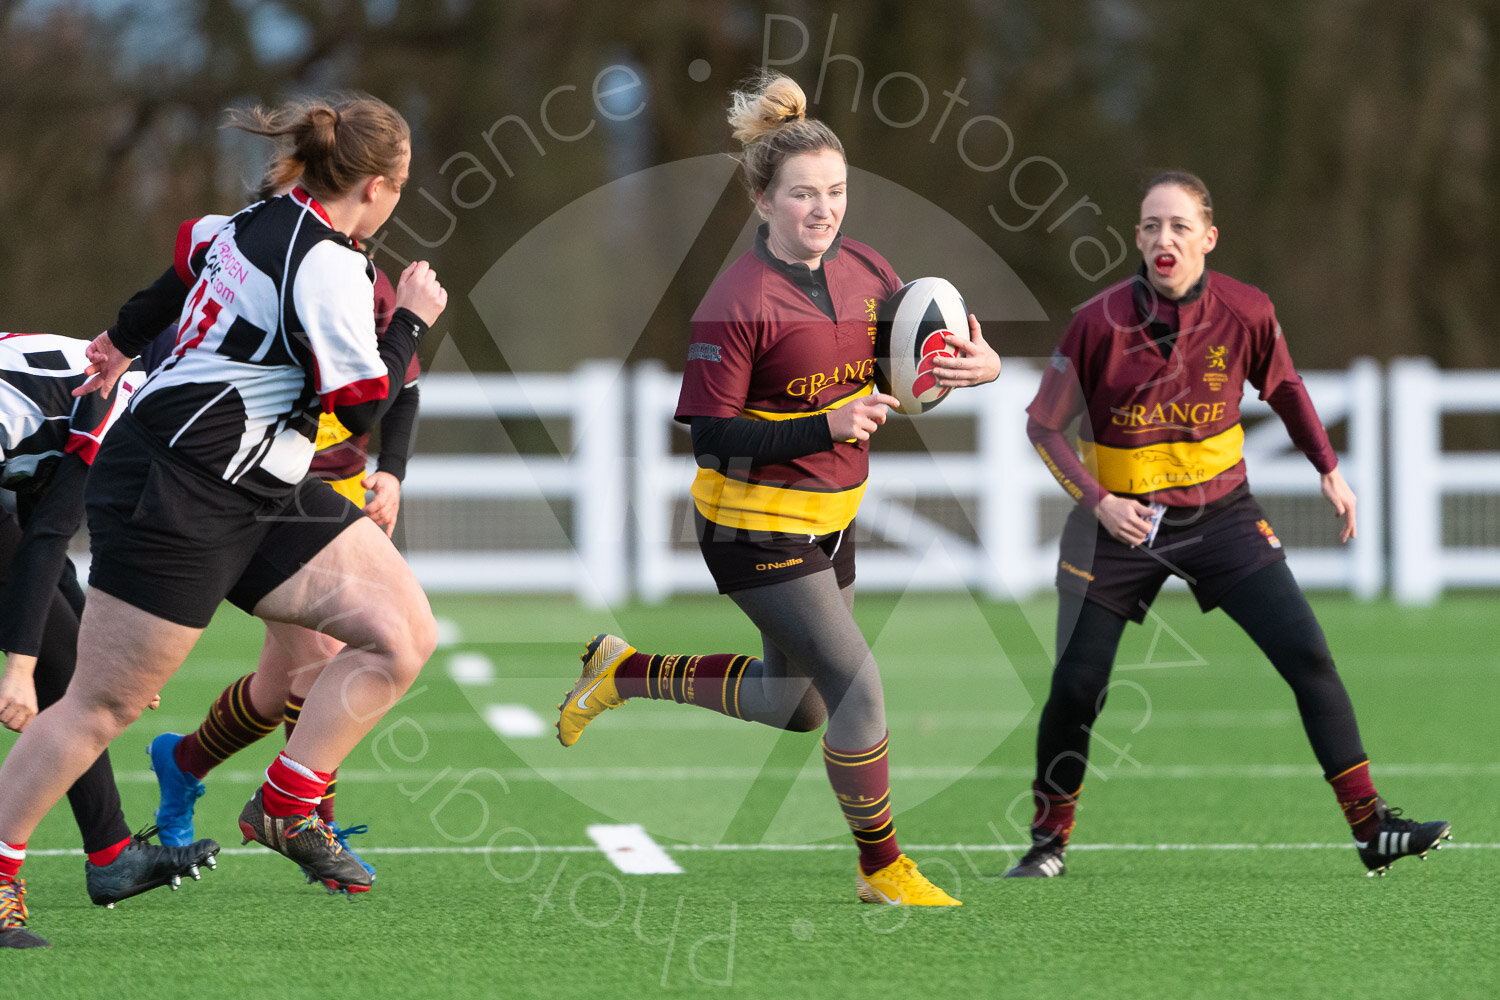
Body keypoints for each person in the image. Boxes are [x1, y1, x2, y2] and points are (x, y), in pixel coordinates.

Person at [0, 93, 446, 948]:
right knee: (99, 705)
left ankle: (286, 803)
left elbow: (178, 268)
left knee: (399, 632)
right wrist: (416, 316)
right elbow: (357, 410)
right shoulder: (327, 264)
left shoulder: (248, 219)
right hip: (177, 486)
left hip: (257, 481)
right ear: (384, 186)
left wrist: (120, 339)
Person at [556, 74, 999, 906]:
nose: (823, 209)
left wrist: (972, 369)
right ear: (763, 200)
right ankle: (883, 869)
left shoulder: (871, 271)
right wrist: (824, 427)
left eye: (835, 192)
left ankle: (621, 671)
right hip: (751, 527)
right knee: (857, 689)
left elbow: (901, 374)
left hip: (834, 518)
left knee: (791, 706)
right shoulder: (735, 304)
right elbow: (712, 435)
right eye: (803, 195)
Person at [1004, 169, 1450, 879]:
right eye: (1151, 225)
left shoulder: (1247, 311)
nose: (1163, 238)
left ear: (1208, 238)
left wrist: (1329, 468)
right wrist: (1101, 503)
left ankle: (1372, 831)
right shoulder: (1097, 322)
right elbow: (1043, 428)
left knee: (1308, 656)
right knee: (1078, 685)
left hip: (1222, 519)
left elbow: (1286, 388)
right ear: (1138, 238)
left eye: (1179, 225)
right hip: (1115, 531)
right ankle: (1047, 842)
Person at [146, 175, 423, 880]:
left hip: (332, 493)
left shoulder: (362, 275)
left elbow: (404, 386)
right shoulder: (249, 260)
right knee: (324, 660)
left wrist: (392, 469)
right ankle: (307, 820)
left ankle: (182, 763)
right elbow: (178, 353)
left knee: (281, 687)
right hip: (260, 487)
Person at [0, 335, 220, 949]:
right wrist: (20, 667)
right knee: (60, 671)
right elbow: (46, 535)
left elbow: (42, 536)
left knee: (72, 677)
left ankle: (112, 855)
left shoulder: (126, 377)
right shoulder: (125, 396)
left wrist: (101, 659)